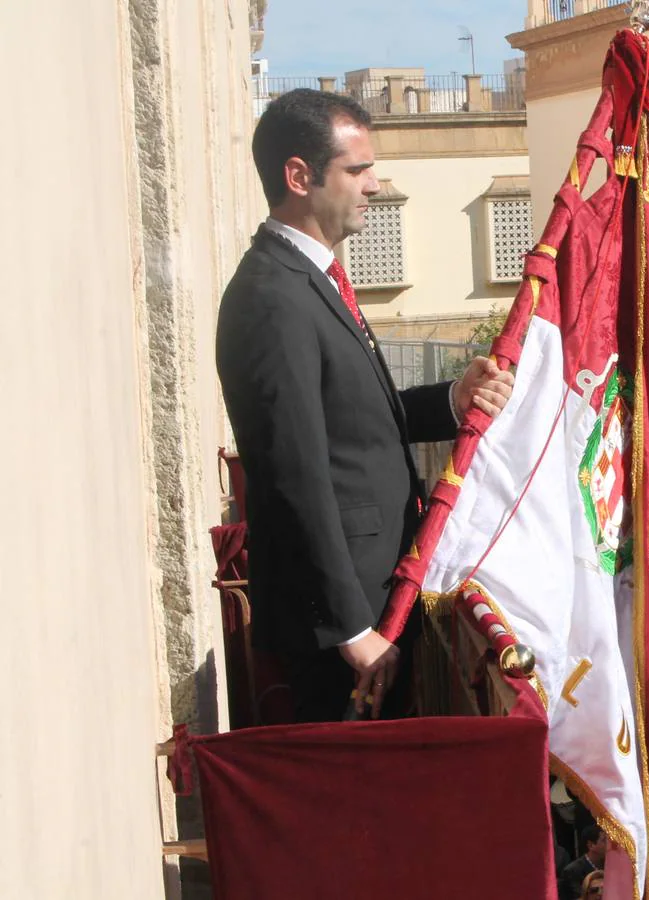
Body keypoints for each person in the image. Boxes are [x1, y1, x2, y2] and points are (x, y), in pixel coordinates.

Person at [217, 89, 514, 722]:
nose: (374, 186)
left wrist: (451, 401)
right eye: (357, 170)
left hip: (374, 610)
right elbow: (293, 474)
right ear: (299, 176)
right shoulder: (273, 296)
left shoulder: (313, 280)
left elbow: (350, 423)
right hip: (342, 636)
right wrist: (350, 630)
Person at [559, 826, 608, 900]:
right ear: (591, 845)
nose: (609, 844)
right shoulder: (572, 871)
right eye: (604, 840)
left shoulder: (611, 866)